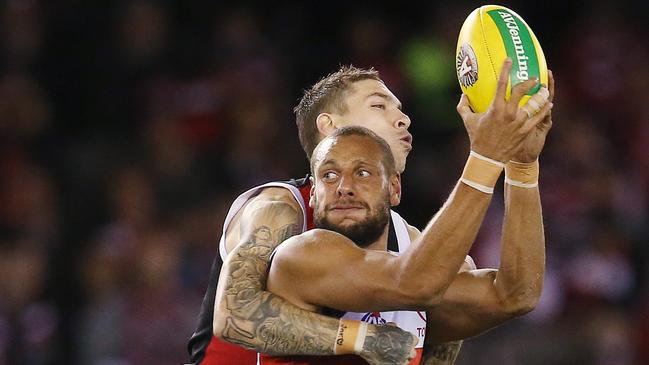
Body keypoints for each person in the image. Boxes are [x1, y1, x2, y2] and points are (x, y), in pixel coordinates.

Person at [187, 58, 554, 365]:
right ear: (329, 127)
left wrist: (522, 166)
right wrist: (364, 337)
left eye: (402, 109)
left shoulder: (413, 244)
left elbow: (515, 295)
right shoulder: (281, 210)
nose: (403, 119)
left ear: (394, 186)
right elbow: (234, 315)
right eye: (380, 105)